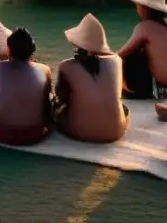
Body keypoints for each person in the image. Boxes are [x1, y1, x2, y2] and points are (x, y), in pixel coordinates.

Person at [0, 27, 53, 145]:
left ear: (9, 50)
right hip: (33, 134)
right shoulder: (45, 70)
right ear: (32, 50)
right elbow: (46, 104)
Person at [54, 14, 130, 143]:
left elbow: (61, 99)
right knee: (124, 109)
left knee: (56, 113)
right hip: (117, 131)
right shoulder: (117, 61)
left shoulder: (66, 66)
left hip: (81, 132)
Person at [117, 0, 167, 99]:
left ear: (144, 8)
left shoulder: (144, 27)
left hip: (159, 90)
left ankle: (129, 91)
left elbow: (120, 55)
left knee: (129, 59)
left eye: (138, 4)